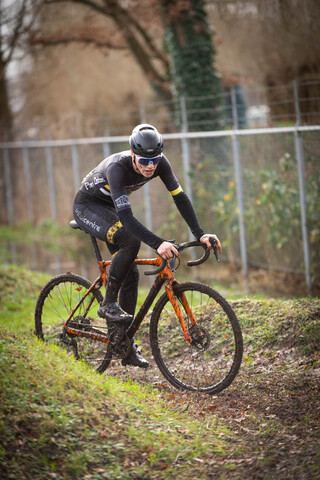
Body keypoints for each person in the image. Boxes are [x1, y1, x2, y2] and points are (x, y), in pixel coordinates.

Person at [73, 124, 222, 368]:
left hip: (110, 209)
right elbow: (128, 219)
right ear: (133, 155)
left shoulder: (160, 163)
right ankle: (107, 304)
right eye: (144, 160)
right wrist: (158, 243)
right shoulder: (117, 168)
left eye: (154, 160)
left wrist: (201, 234)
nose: (150, 166)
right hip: (88, 207)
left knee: (130, 273)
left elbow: (180, 198)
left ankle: (124, 343)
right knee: (130, 240)